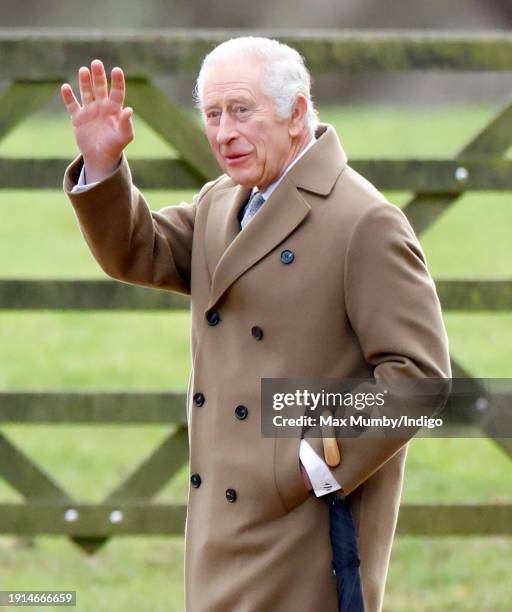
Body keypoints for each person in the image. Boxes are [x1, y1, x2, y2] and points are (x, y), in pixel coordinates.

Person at [61, 37, 450, 612]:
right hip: (221, 525)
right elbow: (138, 251)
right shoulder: (223, 202)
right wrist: (103, 165)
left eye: (241, 110)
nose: (223, 132)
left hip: (307, 525)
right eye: (213, 114)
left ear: (296, 113)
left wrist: (310, 460)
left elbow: (420, 381)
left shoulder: (364, 220)